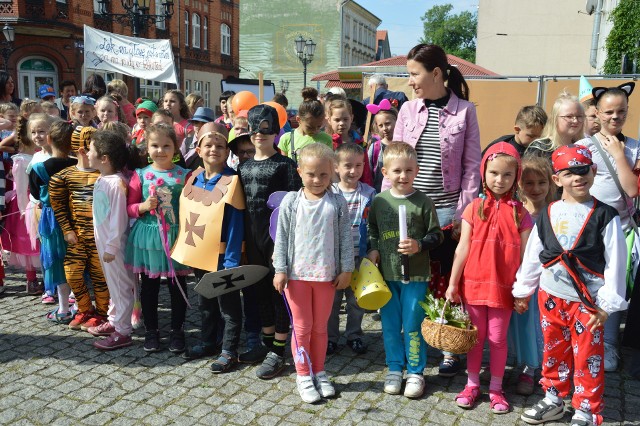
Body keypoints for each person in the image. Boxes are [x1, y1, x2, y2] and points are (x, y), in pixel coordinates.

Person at [514, 144, 628, 426]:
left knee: (588, 355)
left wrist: (607, 305)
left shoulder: (606, 215)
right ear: (557, 179)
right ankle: (553, 398)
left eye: (583, 171)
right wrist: (523, 290)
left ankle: (586, 409)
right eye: (570, 172)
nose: (578, 177)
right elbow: (535, 255)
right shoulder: (550, 212)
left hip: (588, 303)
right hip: (551, 296)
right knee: (553, 350)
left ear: (594, 172)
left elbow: (616, 261)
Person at [392, 43, 481, 377]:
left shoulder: (465, 111)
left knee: (447, 280)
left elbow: (472, 167)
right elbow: (393, 161)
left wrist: (464, 214)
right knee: (413, 280)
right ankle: (414, 340)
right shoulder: (407, 112)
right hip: (410, 212)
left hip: (447, 213)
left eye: (414, 74)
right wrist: (390, 207)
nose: (410, 81)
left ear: (437, 74)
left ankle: (449, 346)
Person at [446, 142, 533, 413]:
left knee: (497, 339)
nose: (500, 180)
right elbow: (463, 248)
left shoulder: (522, 214)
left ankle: (496, 388)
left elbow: (527, 258)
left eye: (507, 174)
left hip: (503, 289)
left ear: (516, 177)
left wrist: (523, 291)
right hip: (472, 284)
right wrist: (452, 283)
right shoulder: (473, 208)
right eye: (494, 173)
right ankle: (472, 384)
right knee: (476, 337)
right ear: (484, 172)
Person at [273, 142, 354, 403]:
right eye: (311, 174)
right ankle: (303, 373)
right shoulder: (291, 201)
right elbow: (282, 238)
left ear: (332, 173)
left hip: (326, 276)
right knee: (302, 327)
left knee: (320, 328)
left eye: (323, 174)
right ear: (299, 171)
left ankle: (319, 371)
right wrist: (280, 269)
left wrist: (347, 269)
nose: (317, 179)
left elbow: (345, 237)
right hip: (296, 276)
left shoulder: (337, 201)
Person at [367, 142, 443, 398]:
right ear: (385, 172)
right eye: (397, 170)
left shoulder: (423, 202)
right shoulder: (379, 201)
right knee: (389, 324)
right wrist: (374, 249)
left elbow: (437, 235)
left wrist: (419, 244)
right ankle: (394, 368)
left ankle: (415, 371)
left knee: (412, 324)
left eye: (409, 170)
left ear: (417, 170)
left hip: (417, 275)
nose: (403, 176)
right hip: (388, 275)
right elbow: (373, 230)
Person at [576, 83, 639, 373]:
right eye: (609, 112)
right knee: (585, 285)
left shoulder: (635, 148)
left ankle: (610, 344)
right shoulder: (584, 147)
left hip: (621, 232)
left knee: (613, 286)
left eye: (622, 112)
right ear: (597, 113)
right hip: (589, 231)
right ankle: (580, 337)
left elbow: (631, 189)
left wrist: (618, 155)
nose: (615, 117)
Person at [237, 104, 302, 378]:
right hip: (251, 239)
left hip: (276, 239)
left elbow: (295, 206)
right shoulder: (244, 167)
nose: (259, 134)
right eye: (254, 128)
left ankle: (278, 349)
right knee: (258, 291)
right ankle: (266, 345)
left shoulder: (285, 165)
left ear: (275, 131)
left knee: (278, 293)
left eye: (265, 129)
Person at [180, 122, 245, 373]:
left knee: (228, 307)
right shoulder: (194, 177)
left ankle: (229, 350)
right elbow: (189, 217)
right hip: (200, 256)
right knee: (205, 302)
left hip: (222, 258)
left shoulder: (231, 181)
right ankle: (209, 341)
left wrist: (231, 261)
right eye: (208, 145)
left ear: (227, 151)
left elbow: (234, 225)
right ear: (198, 149)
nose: (214, 149)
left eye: (220, 145)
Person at [124, 123, 191, 353]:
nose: (160, 150)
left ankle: (177, 331)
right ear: (147, 148)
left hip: (174, 235)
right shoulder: (140, 175)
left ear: (176, 148)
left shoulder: (184, 175)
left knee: (177, 285)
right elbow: (128, 207)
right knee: (149, 287)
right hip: (148, 237)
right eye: (155, 145)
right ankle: (151, 331)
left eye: (166, 145)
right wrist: (142, 206)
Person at [49, 125, 110, 331]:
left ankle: (101, 313)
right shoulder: (62, 177)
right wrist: (67, 229)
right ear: (82, 149)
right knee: (73, 273)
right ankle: (85, 308)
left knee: (100, 277)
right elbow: (58, 206)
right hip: (78, 237)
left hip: (100, 238)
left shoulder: (105, 175)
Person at [509, 156, 555, 396]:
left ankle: (535, 367)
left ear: (551, 183)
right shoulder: (514, 213)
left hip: (547, 282)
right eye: (529, 183)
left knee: (540, 326)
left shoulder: (554, 213)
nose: (535, 189)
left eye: (541, 182)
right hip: (519, 280)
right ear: (519, 185)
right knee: (521, 324)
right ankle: (520, 363)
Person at [86, 130, 136, 350]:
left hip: (113, 246)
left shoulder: (115, 183)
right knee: (113, 285)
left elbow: (118, 217)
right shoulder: (104, 178)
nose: (87, 153)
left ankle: (123, 331)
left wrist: (112, 246)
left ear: (104, 158)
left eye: (91, 150)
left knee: (121, 286)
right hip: (105, 242)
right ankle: (115, 320)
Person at [327, 143, 375, 355]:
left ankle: (354, 335)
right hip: (333, 259)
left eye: (358, 166)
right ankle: (330, 337)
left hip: (359, 256)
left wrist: (374, 249)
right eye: (348, 165)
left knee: (356, 301)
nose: (353, 171)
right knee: (332, 302)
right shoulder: (329, 192)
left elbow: (374, 225)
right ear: (336, 167)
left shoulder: (370, 194)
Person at [30, 121, 77, 323]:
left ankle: (64, 308)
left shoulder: (39, 168)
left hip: (51, 220)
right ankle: (81, 304)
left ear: (49, 139)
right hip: (75, 217)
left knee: (56, 262)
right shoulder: (77, 165)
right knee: (75, 259)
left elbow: (34, 194)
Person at [1, 108, 44, 295]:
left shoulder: (36, 156)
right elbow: (20, 190)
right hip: (25, 208)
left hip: (35, 204)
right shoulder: (21, 160)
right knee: (29, 246)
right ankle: (31, 280)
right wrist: (25, 211)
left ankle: (40, 280)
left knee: (38, 244)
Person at [525, 92, 585, 162]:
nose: (575, 121)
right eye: (569, 116)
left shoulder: (583, 148)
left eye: (579, 116)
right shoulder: (540, 149)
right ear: (555, 119)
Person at [326, 97, 373, 185]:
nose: (341, 123)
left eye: (345, 119)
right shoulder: (327, 143)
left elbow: (365, 167)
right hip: (333, 190)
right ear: (329, 120)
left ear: (351, 118)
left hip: (356, 189)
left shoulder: (359, 142)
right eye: (337, 120)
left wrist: (367, 187)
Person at [278, 88, 332, 162]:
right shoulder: (287, 139)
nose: (315, 130)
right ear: (298, 119)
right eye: (310, 127)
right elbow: (284, 167)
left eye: (319, 126)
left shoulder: (326, 139)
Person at [482, 105, 547, 157]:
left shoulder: (542, 151)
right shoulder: (500, 148)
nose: (536, 140)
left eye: (540, 137)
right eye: (531, 136)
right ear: (517, 130)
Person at [368, 105, 397, 192]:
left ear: (396, 121)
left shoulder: (403, 144)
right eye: (381, 126)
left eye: (388, 123)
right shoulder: (375, 148)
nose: (384, 128)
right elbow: (369, 173)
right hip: (379, 194)